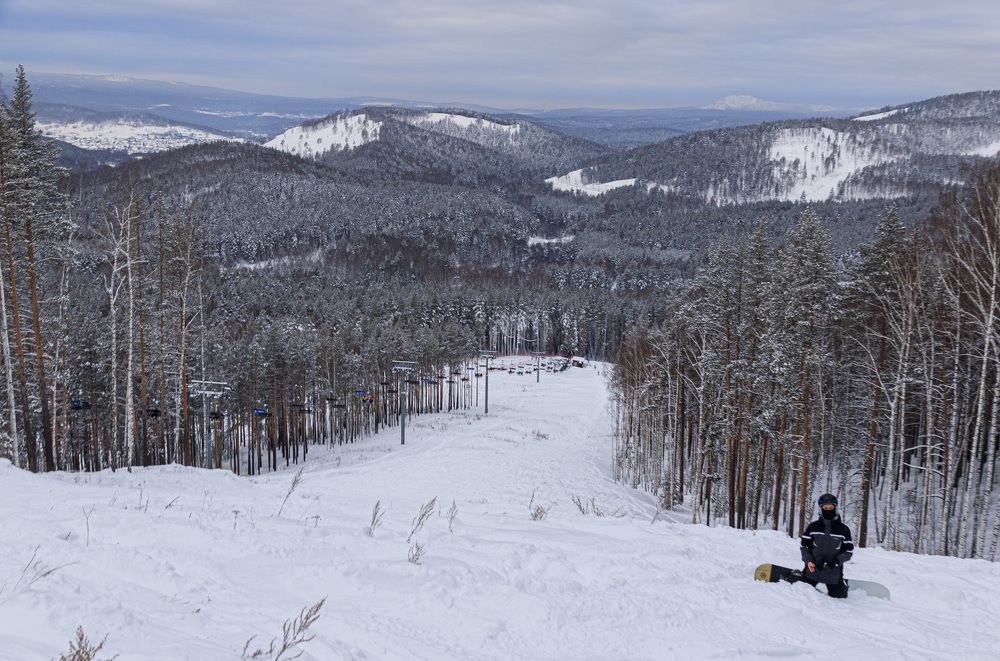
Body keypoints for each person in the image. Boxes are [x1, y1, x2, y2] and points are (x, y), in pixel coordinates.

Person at [799, 493, 854, 598]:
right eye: (825, 507)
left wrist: (837, 561)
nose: (828, 510)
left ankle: (843, 583)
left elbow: (848, 551)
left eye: (831, 507)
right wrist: (808, 561)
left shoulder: (844, 529)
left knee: (840, 598)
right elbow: (804, 547)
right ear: (821, 509)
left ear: (835, 508)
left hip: (833, 572)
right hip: (812, 570)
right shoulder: (813, 527)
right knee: (800, 592)